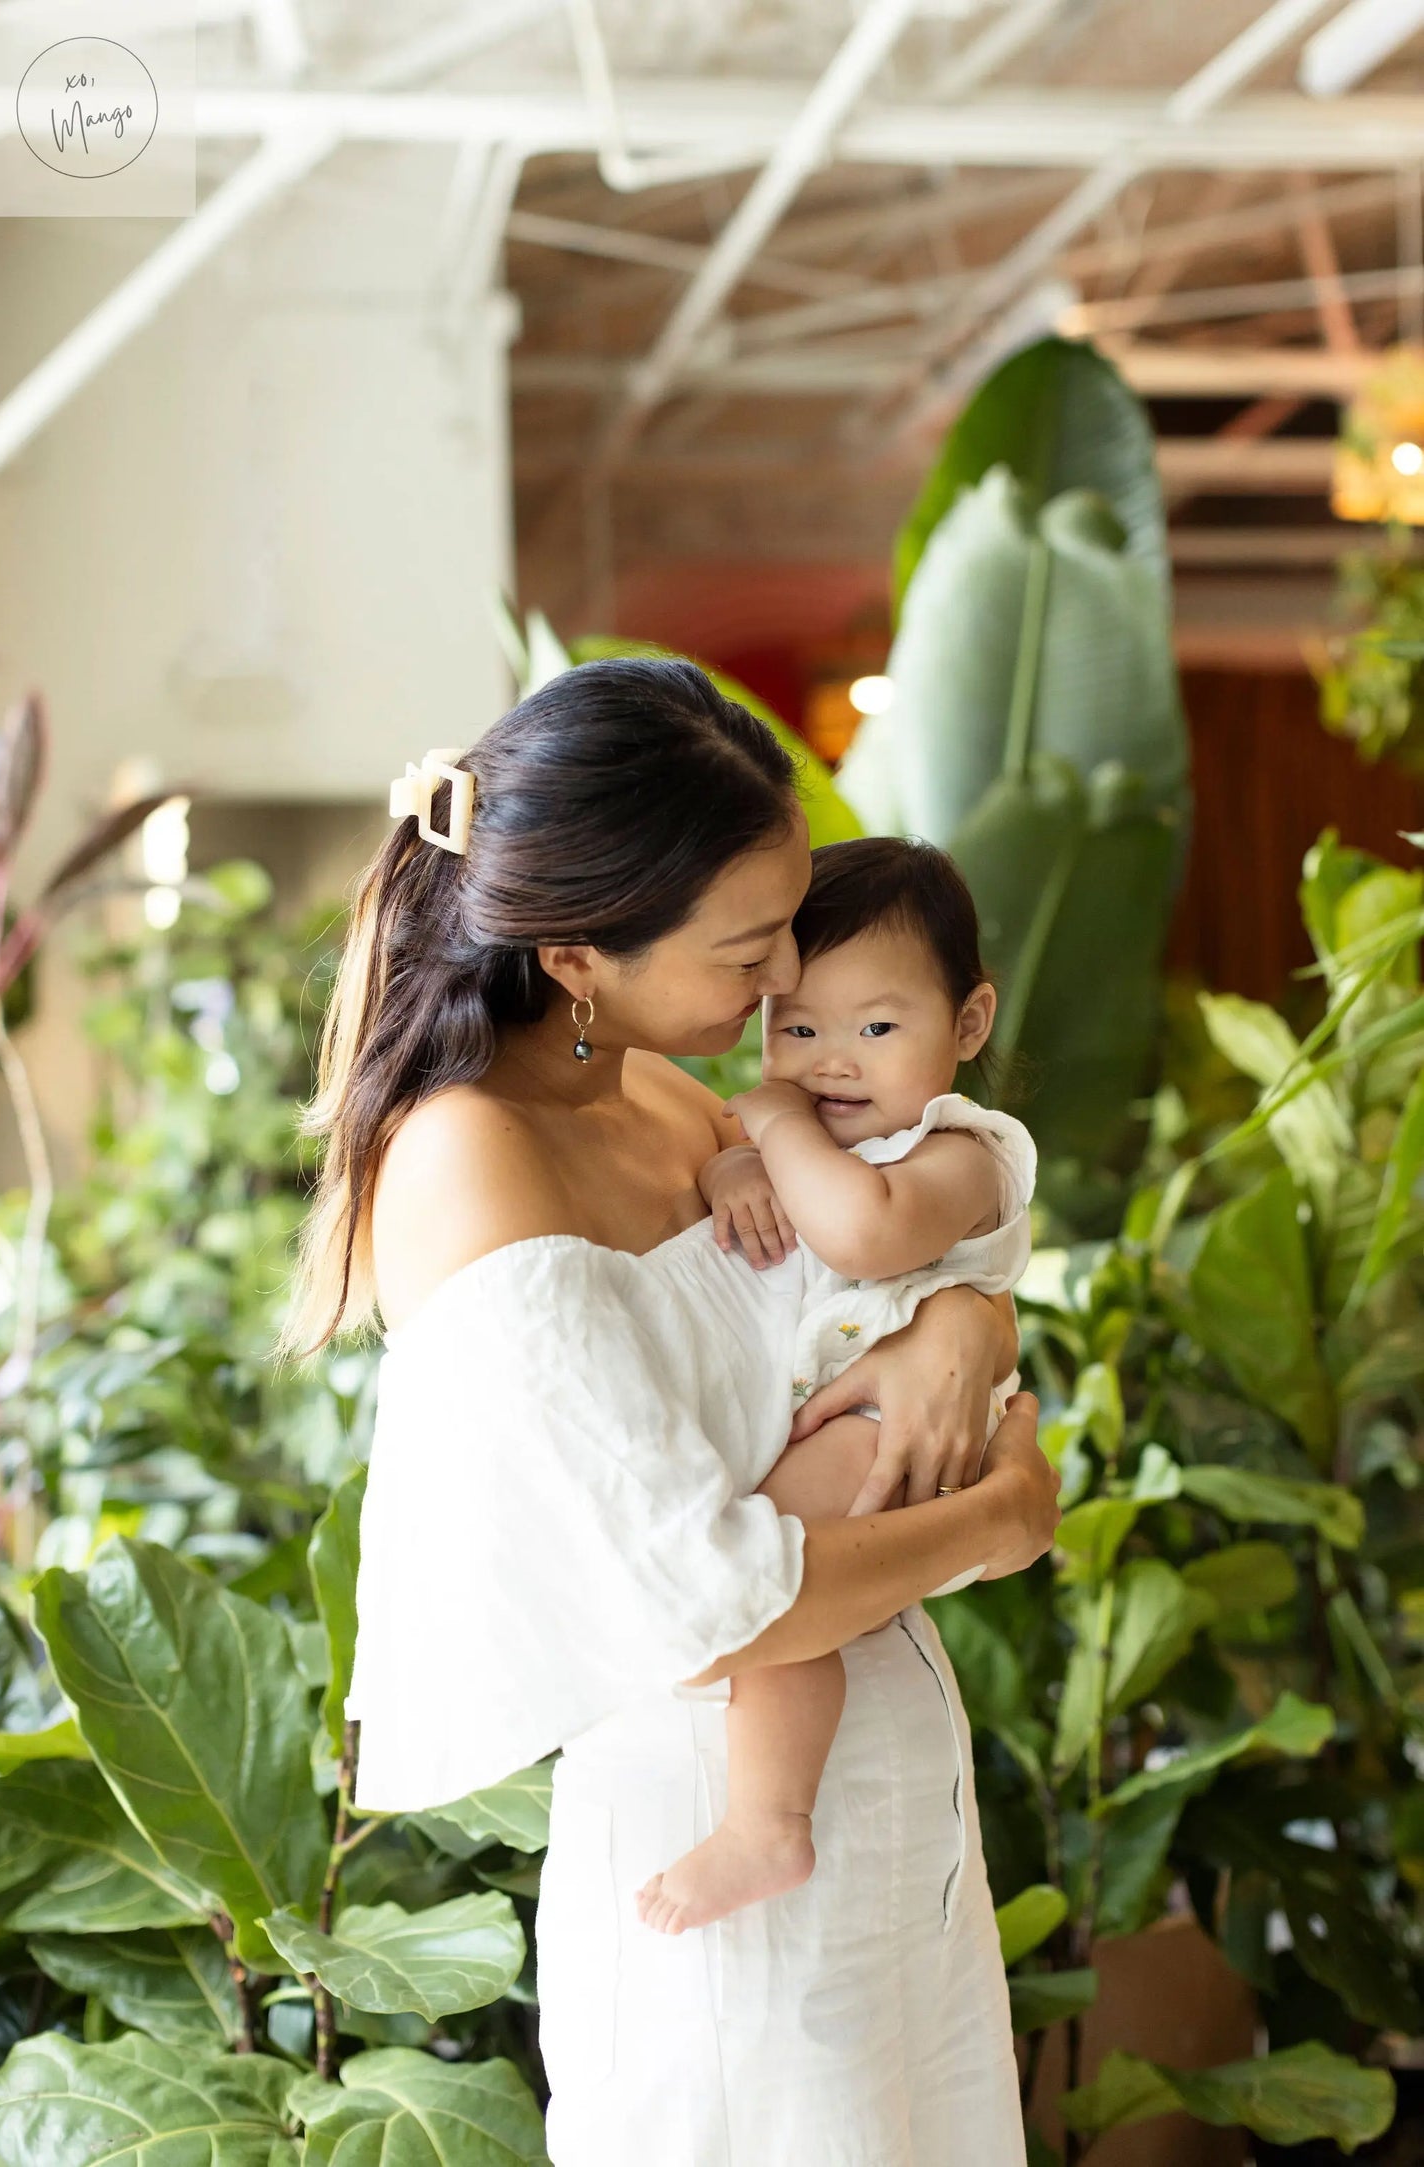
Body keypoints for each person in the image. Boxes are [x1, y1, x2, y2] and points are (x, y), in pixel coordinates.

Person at [281, 658, 1060, 2166]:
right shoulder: (469, 1157)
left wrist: (967, 1324)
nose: (787, 990)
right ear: (580, 953)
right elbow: (708, 1610)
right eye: (750, 946)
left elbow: (880, 1280)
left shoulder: (664, 1092)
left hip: (892, 1776)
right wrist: (999, 1513)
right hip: (722, 1817)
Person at [637, 835, 1036, 1938]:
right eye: (797, 1028)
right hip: (844, 1411)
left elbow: (862, 1235)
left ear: (965, 1024)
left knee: (774, 1583)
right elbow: (778, 1197)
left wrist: (759, 1121)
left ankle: (767, 1820)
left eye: (875, 1026)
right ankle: (769, 1813)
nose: (830, 1060)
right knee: (787, 1608)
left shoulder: (960, 1153)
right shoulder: (810, 1139)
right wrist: (729, 1167)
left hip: (885, 1430)